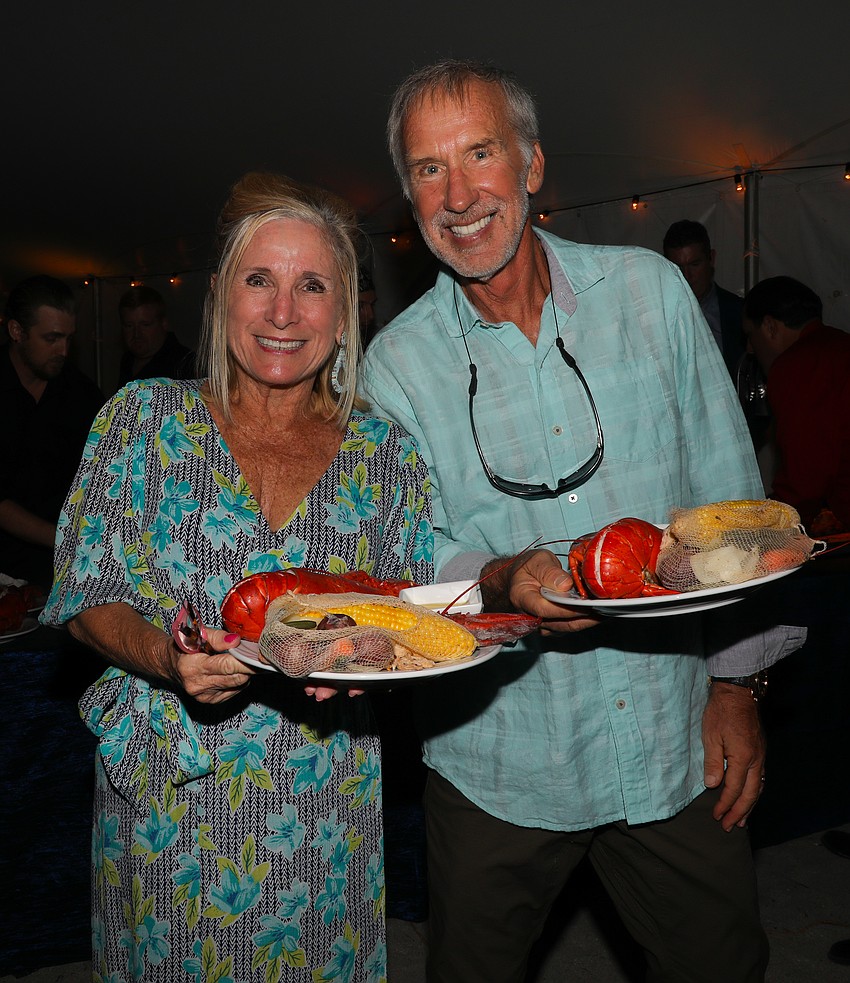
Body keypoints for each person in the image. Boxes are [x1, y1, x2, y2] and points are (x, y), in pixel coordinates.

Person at [361, 60, 803, 983]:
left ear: (532, 164)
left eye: (480, 153)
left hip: (670, 737)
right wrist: (500, 576)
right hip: (500, 760)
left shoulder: (649, 294)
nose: (459, 195)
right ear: (411, 198)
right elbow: (406, 554)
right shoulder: (395, 366)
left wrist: (737, 688)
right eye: (430, 169)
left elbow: (734, 507)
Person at [40, 171, 434, 981]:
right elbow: (85, 593)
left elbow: (412, 617)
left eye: (312, 285)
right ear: (221, 295)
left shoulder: (387, 454)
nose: (283, 312)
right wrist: (164, 656)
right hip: (171, 805)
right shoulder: (143, 421)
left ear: (346, 310)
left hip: (324, 803)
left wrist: (371, 659)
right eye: (260, 280)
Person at [0, 275, 103, 588]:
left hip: (60, 573)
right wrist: (62, 538)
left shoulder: (81, 394)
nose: (63, 350)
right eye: (52, 339)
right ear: (17, 331)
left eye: (69, 339)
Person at [743, 275, 850, 535]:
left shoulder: (796, 366)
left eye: (750, 336)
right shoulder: (842, 345)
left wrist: (762, 528)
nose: (750, 348)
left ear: (769, 326)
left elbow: (805, 478)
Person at [117, 285, 196, 386]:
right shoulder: (127, 361)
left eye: (145, 325)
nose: (136, 334)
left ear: (163, 323)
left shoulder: (185, 364)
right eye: (129, 326)